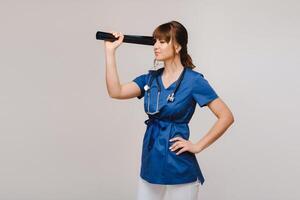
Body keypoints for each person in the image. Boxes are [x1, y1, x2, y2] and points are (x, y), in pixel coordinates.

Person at [104, 21, 234, 200]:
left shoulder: (194, 81)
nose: (156, 46)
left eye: (163, 42)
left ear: (178, 46)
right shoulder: (149, 79)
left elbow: (226, 116)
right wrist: (110, 52)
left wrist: (197, 146)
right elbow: (115, 91)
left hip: (179, 165)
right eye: (155, 41)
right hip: (151, 163)